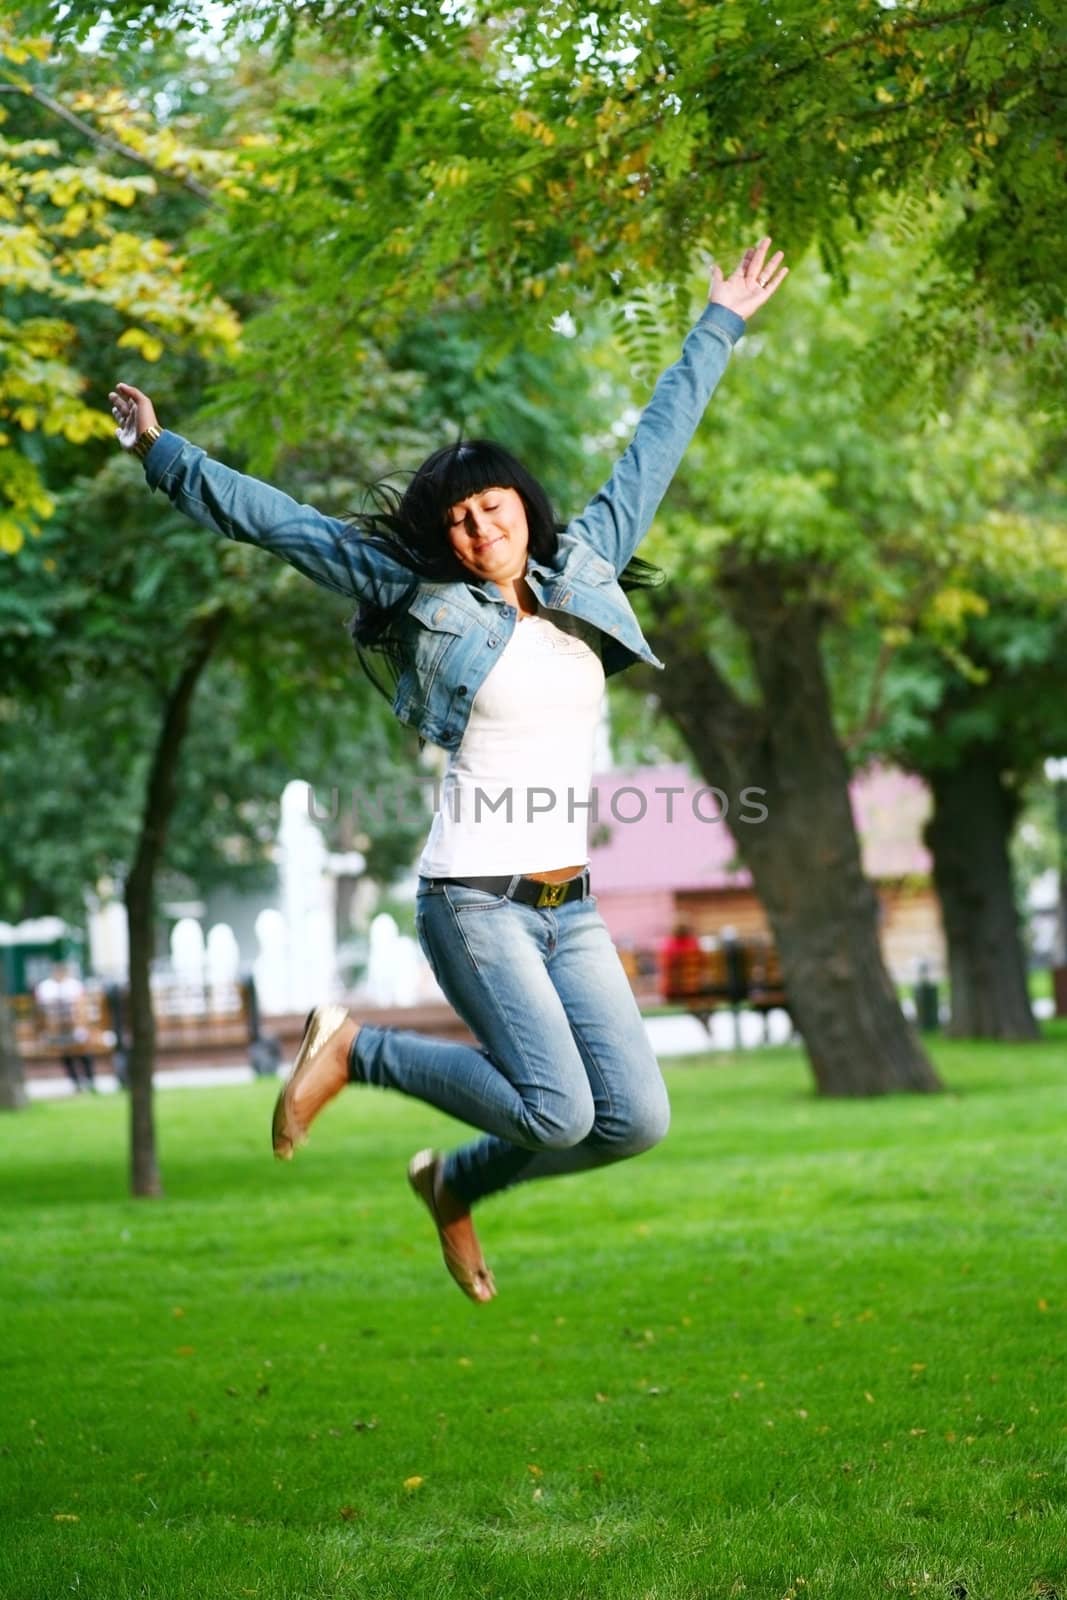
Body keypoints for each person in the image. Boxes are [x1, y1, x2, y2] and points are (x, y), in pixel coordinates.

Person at [110, 237, 788, 1303]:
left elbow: (655, 443)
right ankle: (358, 1049)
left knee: (633, 1120)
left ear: (523, 502)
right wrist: (164, 453)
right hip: (474, 898)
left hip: (569, 906)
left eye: (493, 507)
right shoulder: (417, 596)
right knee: (557, 1110)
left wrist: (717, 321)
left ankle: (454, 1186)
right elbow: (281, 524)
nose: (479, 528)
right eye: (459, 521)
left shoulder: (587, 566)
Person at [34, 962, 96, 1092]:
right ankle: (75, 1081)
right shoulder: (46, 987)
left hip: (75, 1026)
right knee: (66, 1053)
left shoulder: (74, 985)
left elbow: (82, 1005)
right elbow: (42, 1008)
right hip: (57, 1028)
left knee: (83, 1051)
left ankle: (90, 1080)